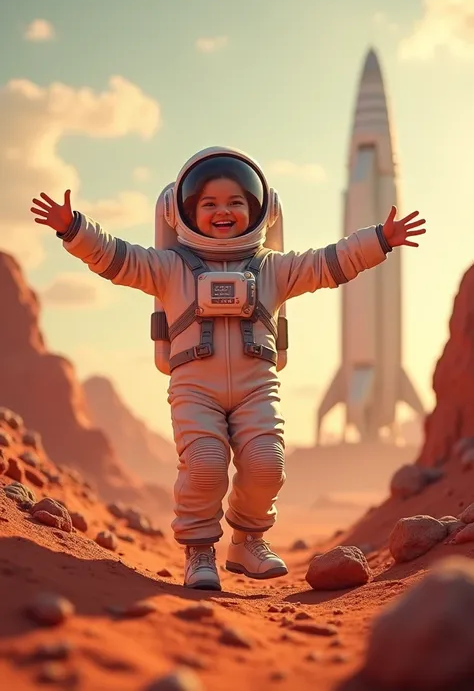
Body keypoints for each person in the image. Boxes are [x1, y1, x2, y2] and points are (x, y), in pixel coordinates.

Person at [30, 147, 426, 591]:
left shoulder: (273, 268)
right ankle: (199, 551)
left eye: (236, 202)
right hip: (194, 386)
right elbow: (117, 258)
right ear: (186, 212)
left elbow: (328, 263)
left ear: (257, 210)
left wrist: (381, 240)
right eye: (210, 204)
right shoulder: (169, 268)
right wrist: (74, 229)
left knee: (267, 465)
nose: (224, 212)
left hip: (258, 386)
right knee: (204, 465)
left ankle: (247, 541)